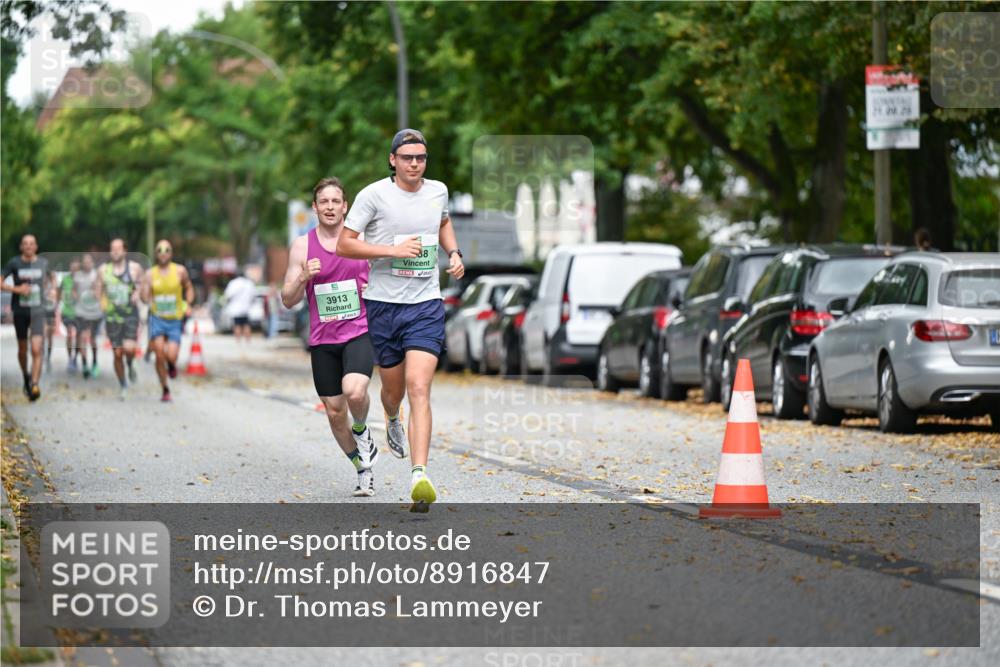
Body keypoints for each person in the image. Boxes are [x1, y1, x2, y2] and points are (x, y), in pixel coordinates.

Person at [338, 129, 465, 511]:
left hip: (425, 303)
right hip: (384, 305)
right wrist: (391, 251)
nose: (415, 163)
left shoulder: (438, 190)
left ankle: (419, 475)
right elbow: (346, 243)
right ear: (392, 159)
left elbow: (442, 221)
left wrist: (453, 252)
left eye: (421, 158)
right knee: (393, 392)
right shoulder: (373, 195)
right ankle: (391, 416)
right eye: (407, 157)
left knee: (419, 387)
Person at [283, 178, 379, 497]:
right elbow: (287, 298)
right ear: (315, 207)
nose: (330, 207)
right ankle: (362, 466)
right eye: (324, 201)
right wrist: (303, 276)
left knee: (354, 391)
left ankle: (363, 430)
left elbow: (388, 279)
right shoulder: (301, 245)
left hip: (359, 330)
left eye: (335, 201)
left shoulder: (361, 239)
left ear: (345, 206)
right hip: (323, 340)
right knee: (335, 412)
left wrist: (375, 290)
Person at [142, 240, 194, 402]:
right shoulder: (150, 274)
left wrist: (188, 304)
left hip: (175, 319)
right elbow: (145, 296)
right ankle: (165, 388)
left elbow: (189, 287)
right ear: (156, 254)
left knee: (171, 355)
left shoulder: (180, 271)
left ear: (171, 253)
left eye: (167, 250)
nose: (163, 252)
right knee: (158, 353)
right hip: (157, 318)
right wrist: (145, 294)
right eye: (160, 250)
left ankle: (171, 365)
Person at [2, 234, 52, 401]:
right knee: (23, 349)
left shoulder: (43, 263)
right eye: (25, 244)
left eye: (32, 244)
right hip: (20, 312)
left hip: (38, 311)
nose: (29, 246)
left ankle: (35, 384)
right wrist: (17, 290)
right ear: (21, 247)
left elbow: (51, 282)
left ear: (36, 246)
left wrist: (52, 293)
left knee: (37, 349)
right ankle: (25, 376)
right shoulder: (14, 263)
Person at [98, 238, 144, 399]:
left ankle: (130, 363)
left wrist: (137, 293)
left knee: (130, 349)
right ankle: (123, 384)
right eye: (112, 248)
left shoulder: (134, 269)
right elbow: (99, 291)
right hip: (112, 318)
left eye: (118, 248)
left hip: (130, 315)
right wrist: (102, 307)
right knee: (117, 354)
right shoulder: (103, 270)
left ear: (125, 251)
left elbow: (141, 286)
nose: (115, 251)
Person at [73, 253, 103, 379]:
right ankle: (85, 364)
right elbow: (74, 291)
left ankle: (95, 362)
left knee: (92, 339)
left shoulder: (97, 274)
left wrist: (96, 290)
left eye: (89, 261)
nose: (87, 264)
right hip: (81, 311)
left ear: (92, 263)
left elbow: (100, 291)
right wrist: (77, 297)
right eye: (84, 262)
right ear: (82, 263)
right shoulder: (77, 275)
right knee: (82, 337)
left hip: (95, 311)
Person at [56, 258, 80, 373]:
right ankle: (70, 358)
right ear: (70, 268)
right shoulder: (65, 279)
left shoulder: (82, 280)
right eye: (72, 267)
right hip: (67, 312)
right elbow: (58, 293)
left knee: (80, 337)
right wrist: (57, 303)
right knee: (70, 334)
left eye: (76, 268)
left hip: (81, 313)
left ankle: (76, 357)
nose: (74, 270)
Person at [224, 269, 257, 343]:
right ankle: (248, 341)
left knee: (237, 325)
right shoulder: (249, 283)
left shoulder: (233, 283)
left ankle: (238, 341)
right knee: (246, 325)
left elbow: (227, 295)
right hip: (246, 308)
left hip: (236, 308)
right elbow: (253, 296)